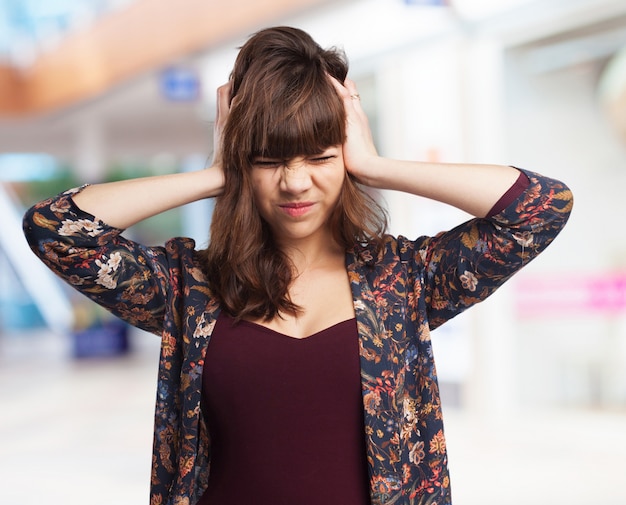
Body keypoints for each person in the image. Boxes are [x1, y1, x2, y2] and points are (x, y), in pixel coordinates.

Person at [23, 26, 572, 505]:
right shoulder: (189, 288)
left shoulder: (404, 280)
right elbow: (55, 229)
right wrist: (218, 170)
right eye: (268, 160)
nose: (295, 182)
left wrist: (375, 164)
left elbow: (539, 208)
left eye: (320, 156)